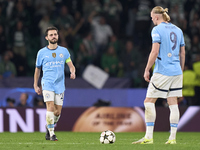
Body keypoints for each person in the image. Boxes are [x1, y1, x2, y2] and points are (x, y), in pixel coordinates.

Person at [132, 6, 185, 144]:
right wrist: (181, 70)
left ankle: (149, 137)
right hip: (177, 71)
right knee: (173, 103)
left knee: (149, 101)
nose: (151, 20)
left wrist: (147, 69)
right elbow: (182, 53)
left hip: (163, 71)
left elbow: (154, 51)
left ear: (156, 17)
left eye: (151, 17)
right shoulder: (178, 30)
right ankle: (172, 138)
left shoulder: (156, 30)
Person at [33, 26, 76, 141]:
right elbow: (37, 69)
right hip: (47, 84)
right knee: (50, 107)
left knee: (57, 112)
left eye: (55, 34)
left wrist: (73, 72)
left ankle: (49, 126)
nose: (53, 36)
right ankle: (52, 134)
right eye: (51, 35)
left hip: (60, 85)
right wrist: (35, 85)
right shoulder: (41, 53)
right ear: (47, 38)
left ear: (58, 36)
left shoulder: (64, 51)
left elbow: (71, 66)